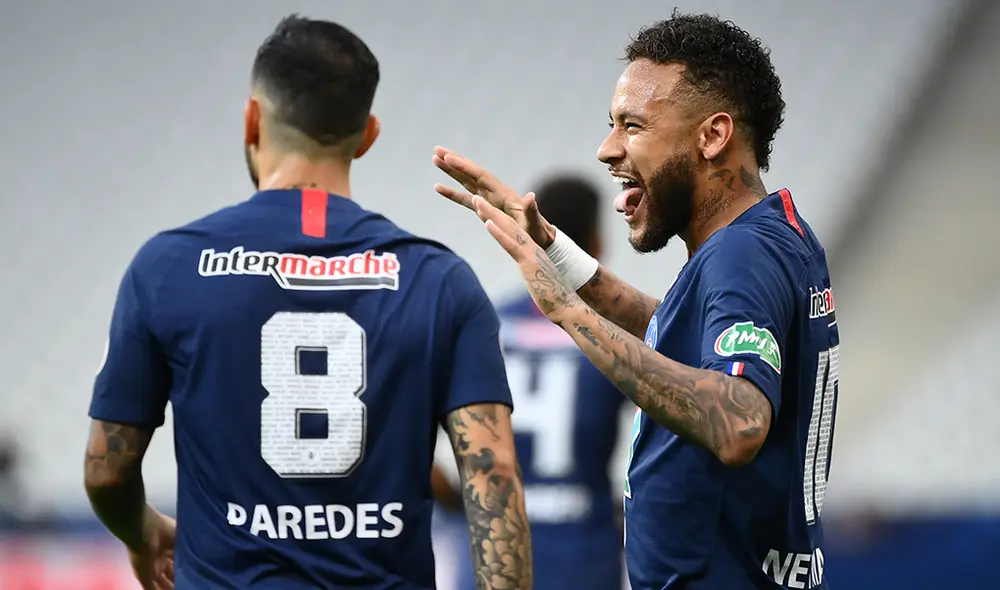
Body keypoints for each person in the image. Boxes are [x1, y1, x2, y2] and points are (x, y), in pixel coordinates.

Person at [84, 15, 531, 590]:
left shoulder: (166, 267)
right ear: (368, 136)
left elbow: (107, 472)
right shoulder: (440, 279)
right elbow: (494, 486)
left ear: (252, 119)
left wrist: (142, 531)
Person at [432, 10, 839, 590]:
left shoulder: (738, 256)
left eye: (633, 126)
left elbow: (739, 423)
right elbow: (684, 342)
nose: (606, 149)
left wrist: (567, 313)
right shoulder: (776, 236)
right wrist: (558, 254)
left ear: (712, 136)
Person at [436, 176, 631, 590]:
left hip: (493, 557)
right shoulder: (614, 333)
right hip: (582, 556)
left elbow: (408, 429)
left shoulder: (485, 321)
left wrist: (457, 501)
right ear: (596, 242)